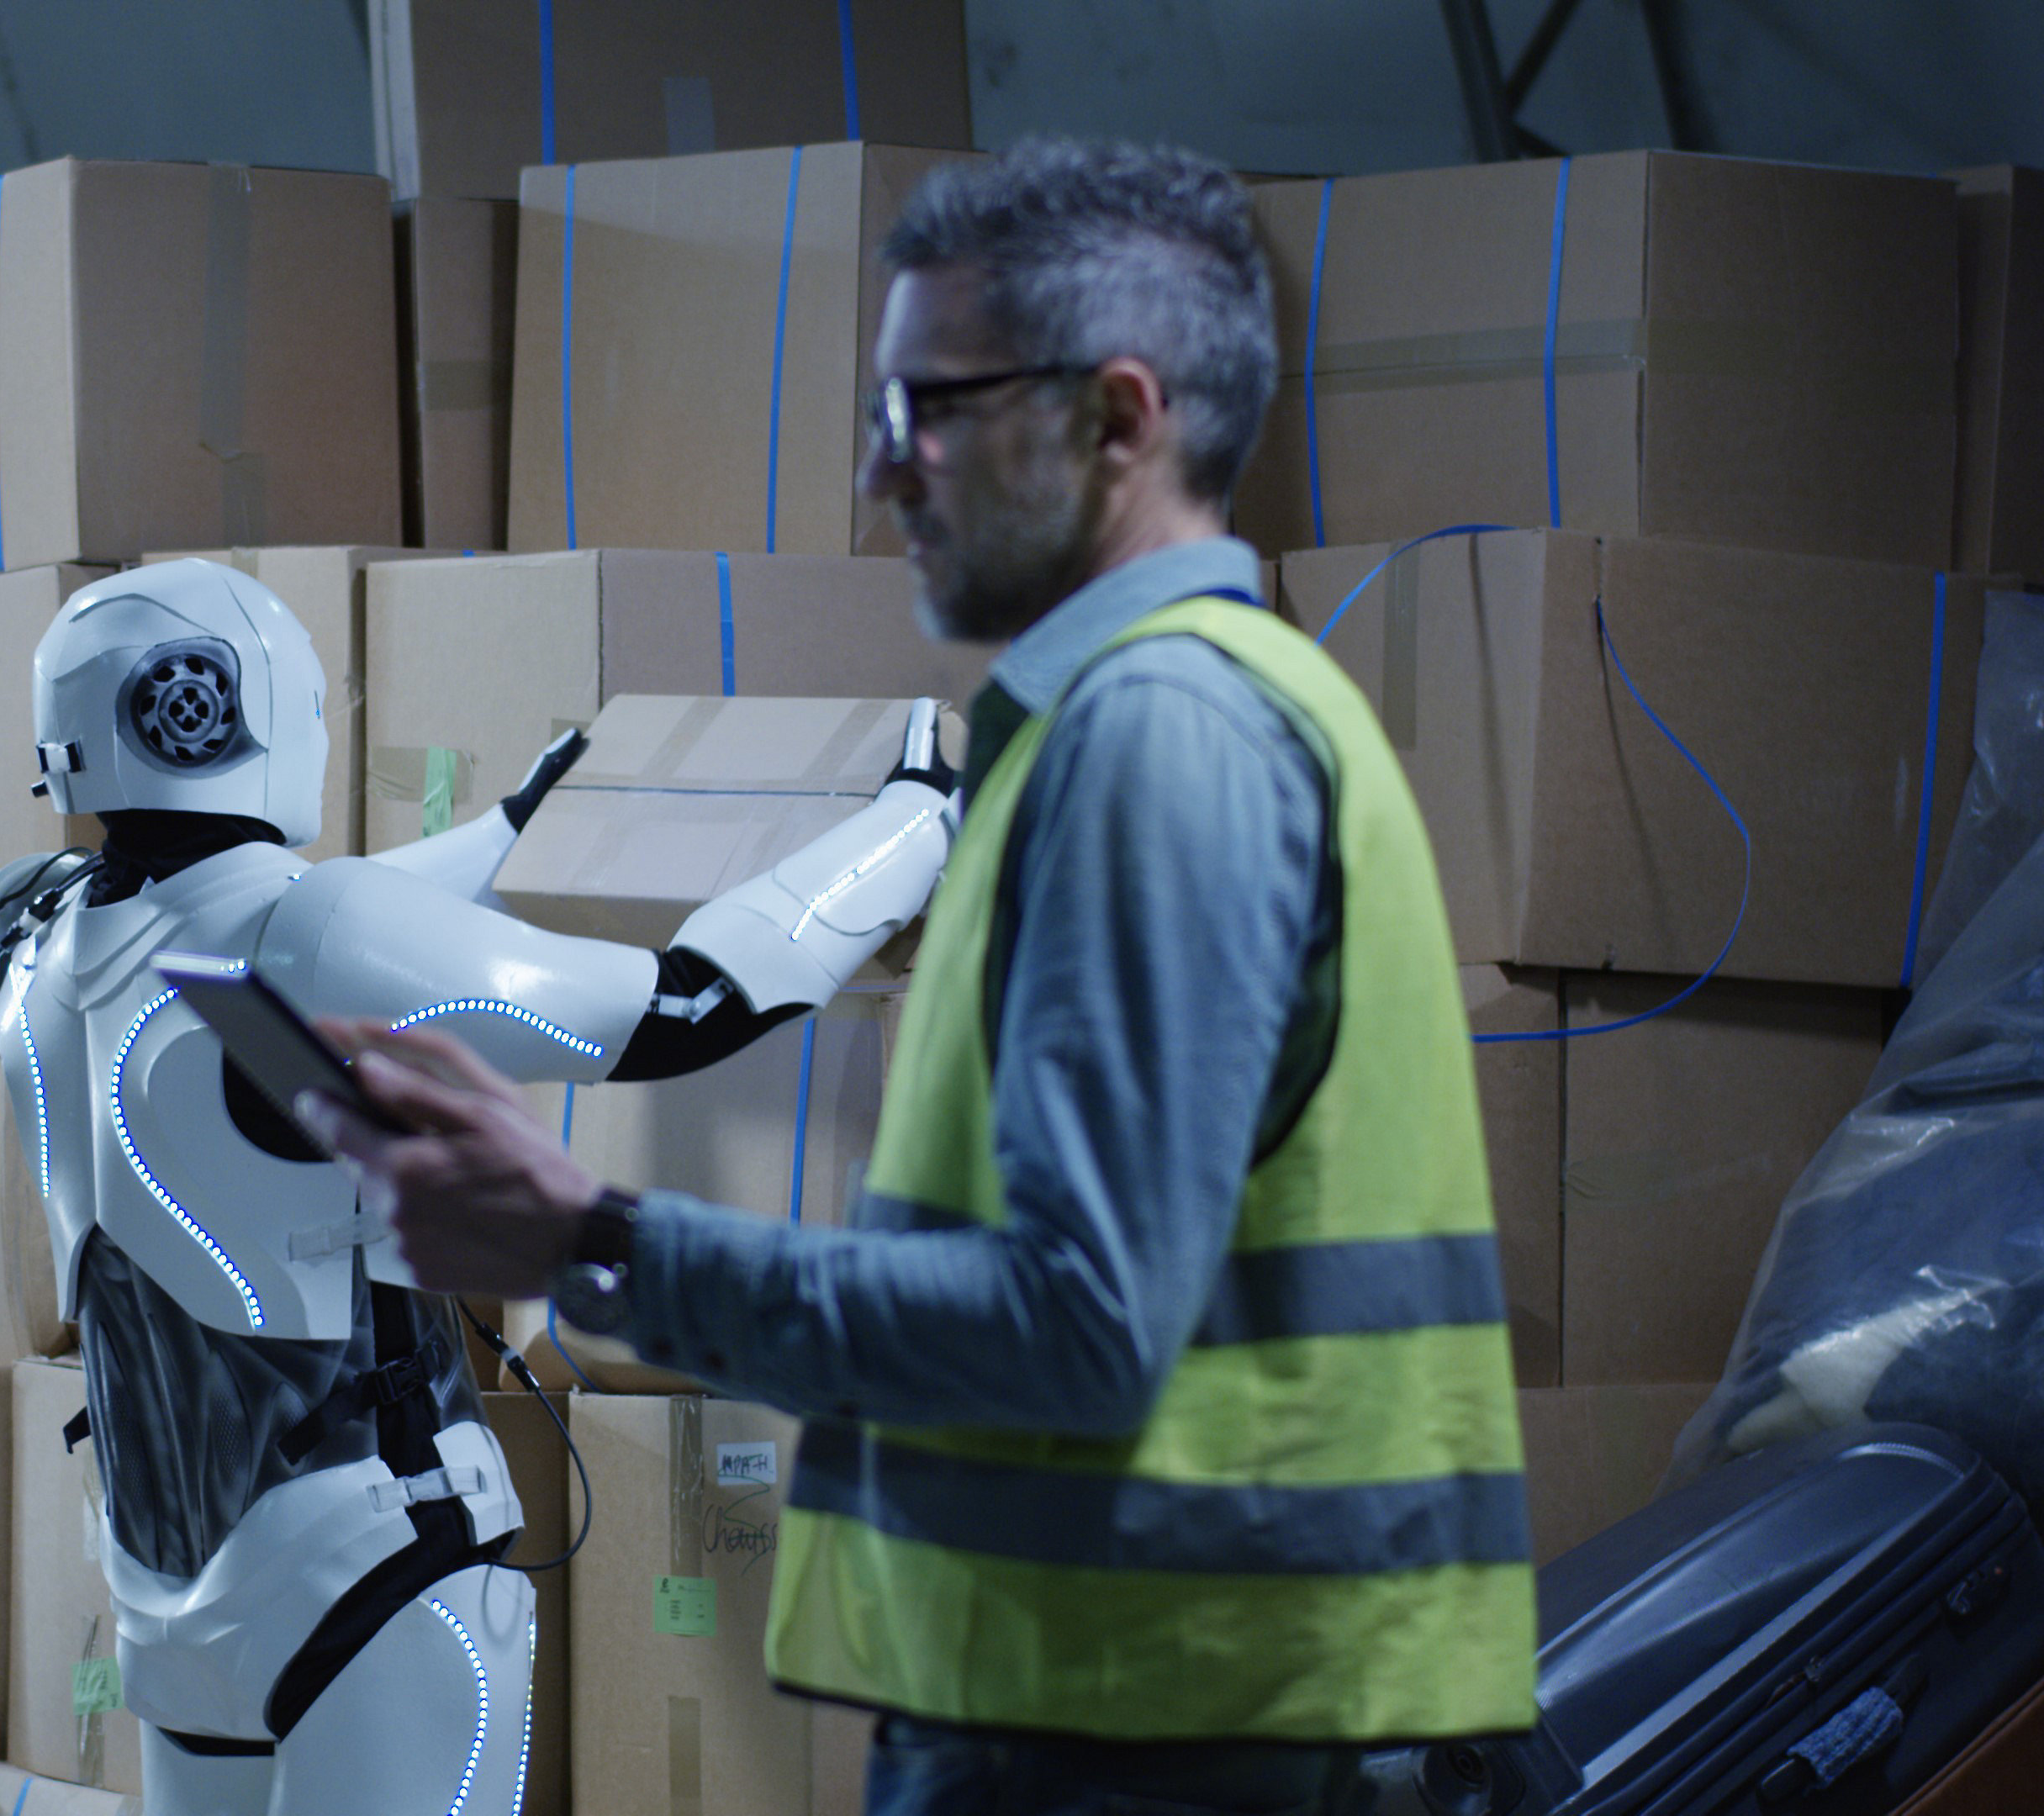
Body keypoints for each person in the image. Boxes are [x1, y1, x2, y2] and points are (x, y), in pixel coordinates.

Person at [300, 138, 1539, 1816]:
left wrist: (593, 1239)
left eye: (928, 413)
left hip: (1163, 1737)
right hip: (1151, 1709)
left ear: (1118, 417)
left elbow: (1079, 1325)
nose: (884, 479)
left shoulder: (1159, 742)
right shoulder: (1139, 731)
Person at [0, 558, 954, 1816]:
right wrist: (920, 823)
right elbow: (690, 1004)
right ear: (226, 707)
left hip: (167, 1589)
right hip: (364, 1568)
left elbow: (256, 927)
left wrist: (508, 830)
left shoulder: (24, 947)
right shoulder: (294, 942)